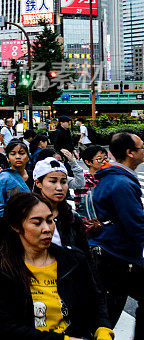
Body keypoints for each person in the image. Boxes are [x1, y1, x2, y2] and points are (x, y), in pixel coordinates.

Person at [0, 192, 113, 340]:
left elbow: (95, 299)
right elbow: (6, 329)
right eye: (37, 223)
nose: (47, 229)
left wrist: (103, 328)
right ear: (16, 226)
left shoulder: (74, 259)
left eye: (50, 220)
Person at [88, 132, 144, 332]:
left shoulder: (112, 177)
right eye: (141, 147)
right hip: (117, 256)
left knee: (106, 314)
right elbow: (136, 224)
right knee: (107, 317)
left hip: (114, 252)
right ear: (130, 153)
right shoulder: (121, 183)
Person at [31, 157, 89, 255]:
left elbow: (85, 254)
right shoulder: (26, 215)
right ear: (38, 183)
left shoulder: (72, 217)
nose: (59, 188)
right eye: (53, 181)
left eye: (63, 182)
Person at [0, 140, 31, 254]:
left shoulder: (36, 176)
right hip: (10, 229)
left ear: (28, 156)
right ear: (8, 157)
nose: (18, 157)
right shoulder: (2, 179)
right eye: (13, 153)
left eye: (21, 153)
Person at [74, 145, 108, 218]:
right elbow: (83, 206)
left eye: (105, 158)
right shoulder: (84, 180)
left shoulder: (108, 177)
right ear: (88, 162)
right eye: (99, 159)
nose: (104, 161)